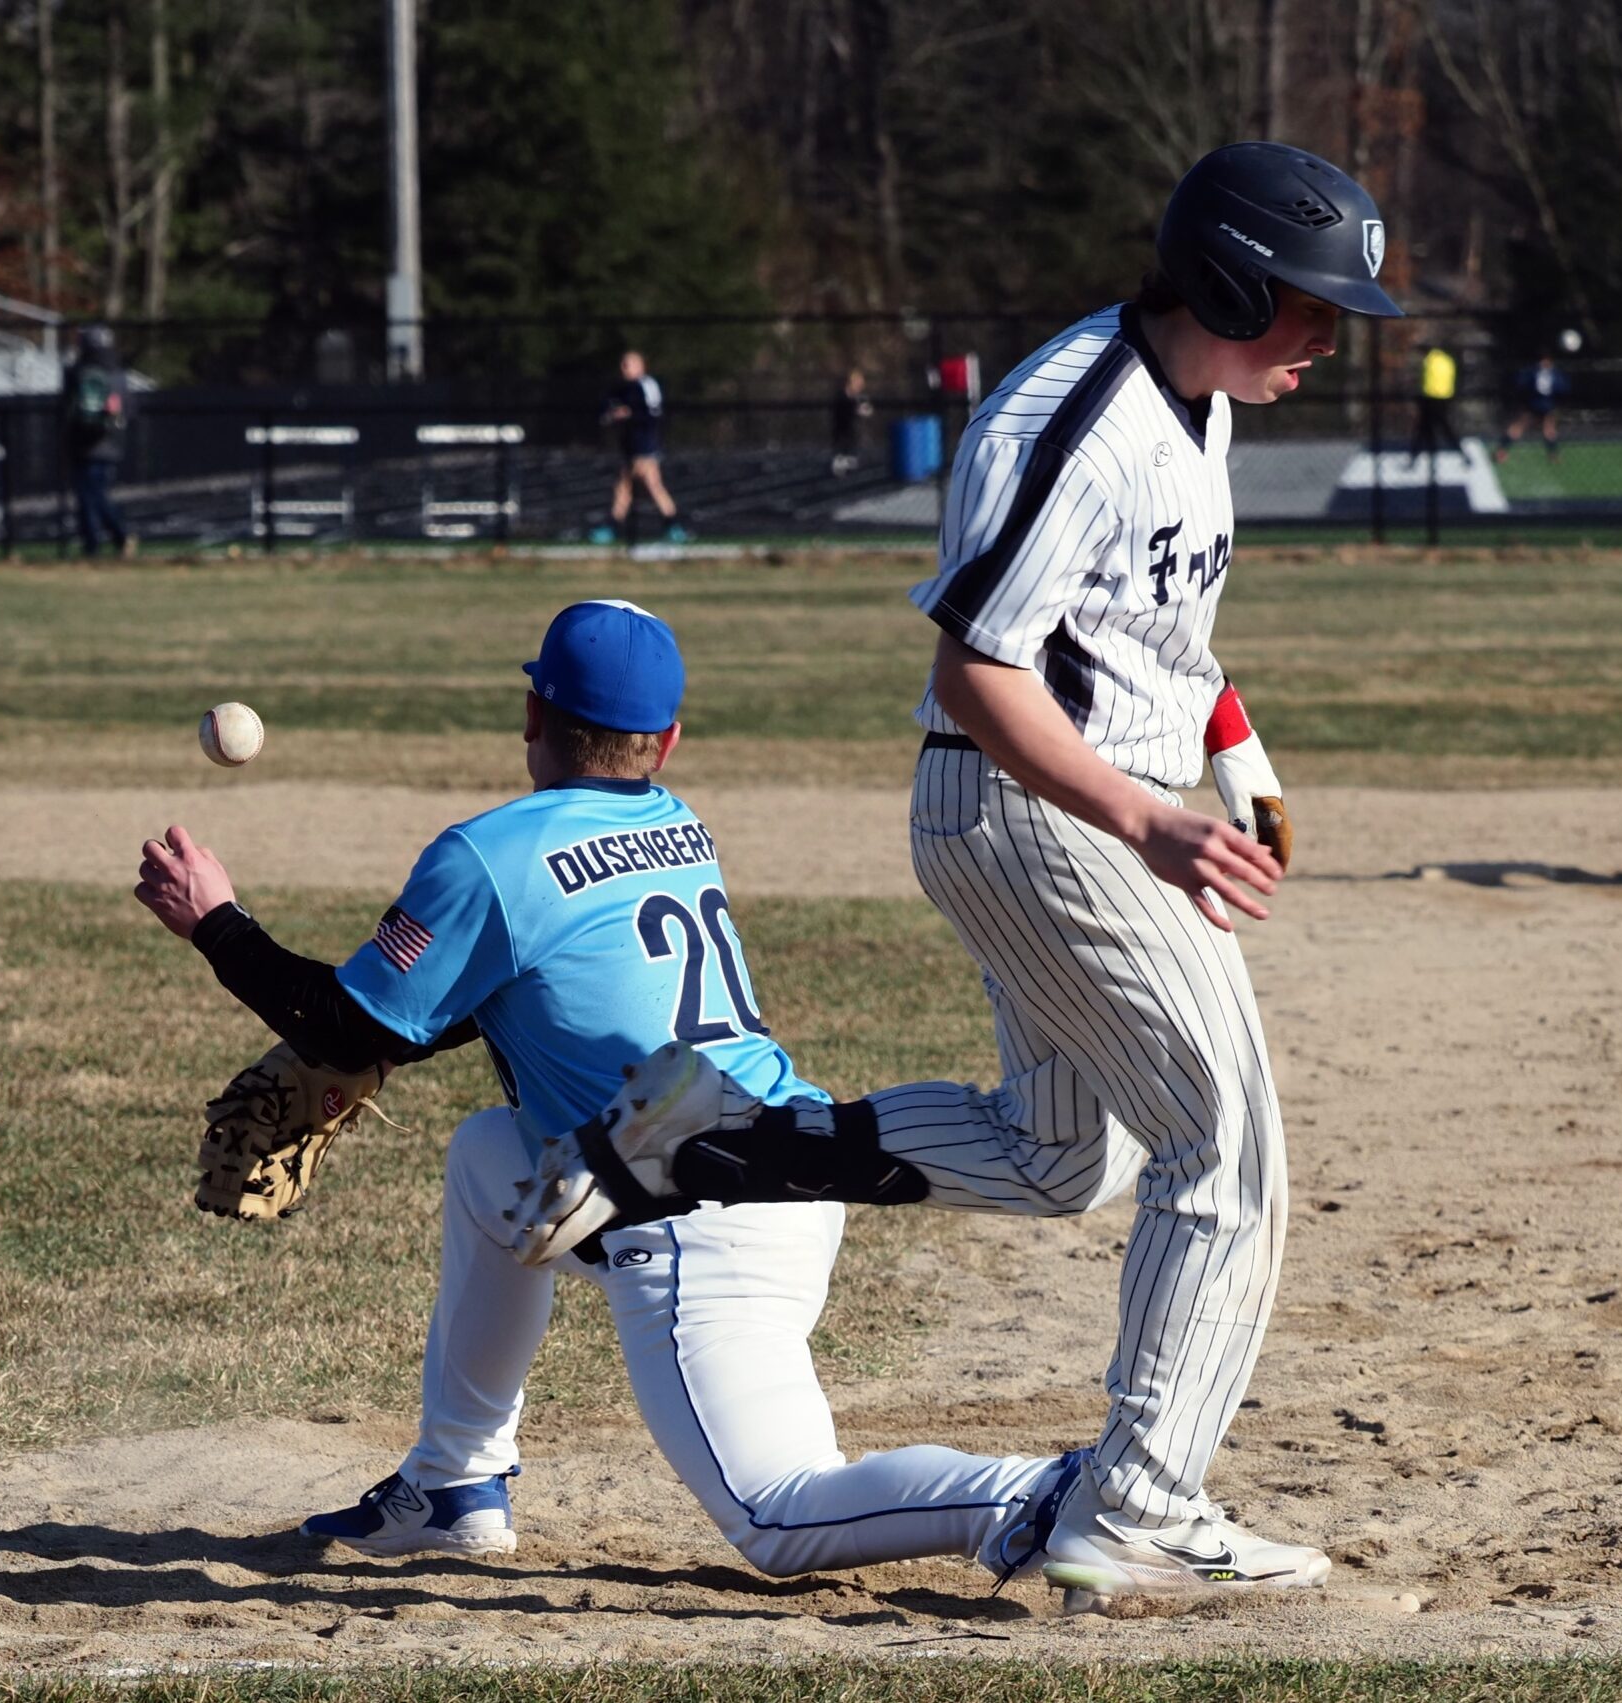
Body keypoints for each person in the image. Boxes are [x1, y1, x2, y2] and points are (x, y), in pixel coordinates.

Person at [510, 143, 1407, 1607]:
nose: (1330, 334)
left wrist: (1236, 758)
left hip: (1079, 798)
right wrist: (1150, 818)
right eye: (1310, 302)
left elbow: (1146, 623)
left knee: (1066, 1155)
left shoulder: (1202, 401)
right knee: (1225, 1147)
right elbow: (978, 671)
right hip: (1034, 807)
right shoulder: (1084, 421)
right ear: (1233, 279)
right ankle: (1134, 1501)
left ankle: (722, 1143)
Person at [133, 599, 1087, 1589]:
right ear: (666, 741)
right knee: (490, 1156)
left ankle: (1049, 1497)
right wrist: (378, 1042)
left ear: (533, 717)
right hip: (785, 1167)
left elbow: (346, 1028)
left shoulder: (490, 855)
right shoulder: (676, 823)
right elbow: (499, 994)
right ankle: (456, 1482)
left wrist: (216, 921)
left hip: (701, 1223)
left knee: (778, 1512)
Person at [589, 350, 688, 546]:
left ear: (641, 366)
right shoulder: (621, 388)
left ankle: (671, 525)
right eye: (623, 364)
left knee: (642, 485)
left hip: (645, 444)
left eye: (629, 364)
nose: (624, 368)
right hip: (629, 445)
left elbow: (653, 414)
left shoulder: (647, 385)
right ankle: (670, 525)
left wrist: (630, 414)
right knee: (631, 486)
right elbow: (606, 409)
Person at [62, 325, 134, 557]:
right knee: (95, 493)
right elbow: (129, 410)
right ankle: (105, 541)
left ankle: (110, 539)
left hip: (84, 444)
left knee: (90, 496)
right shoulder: (119, 375)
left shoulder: (78, 372)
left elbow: (67, 409)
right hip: (111, 443)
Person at [1494, 351, 1567, 462]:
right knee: (1543, 429)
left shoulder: (1535, 371)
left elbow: (1521, 383)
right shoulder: (1550, 373)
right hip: (1542, 404)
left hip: (1537, 404)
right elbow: (1562, 387)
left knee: (1545, 429)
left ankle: (1501, 451)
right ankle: (1553, 455)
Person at [1407, 338, 1461, 464]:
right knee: (1432, 428)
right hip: (1445, 397)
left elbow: (1424, 379)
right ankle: (1416, 457)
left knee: (1428, 429)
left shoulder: (1429, 361)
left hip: (1431, 398)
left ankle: (1415, 458)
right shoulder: (1447, 359)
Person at [831, 366, 873, 475]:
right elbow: (844, 412)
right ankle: (841, 462)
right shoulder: (841, 396)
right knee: (844, 459)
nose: (861, 386)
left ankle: (846, 462)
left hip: (855, 435)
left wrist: (863, 410)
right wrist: (856, 410)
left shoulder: (860, 397)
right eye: (858, 382)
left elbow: (868, 410)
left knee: (856, 461)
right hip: (843, 433)